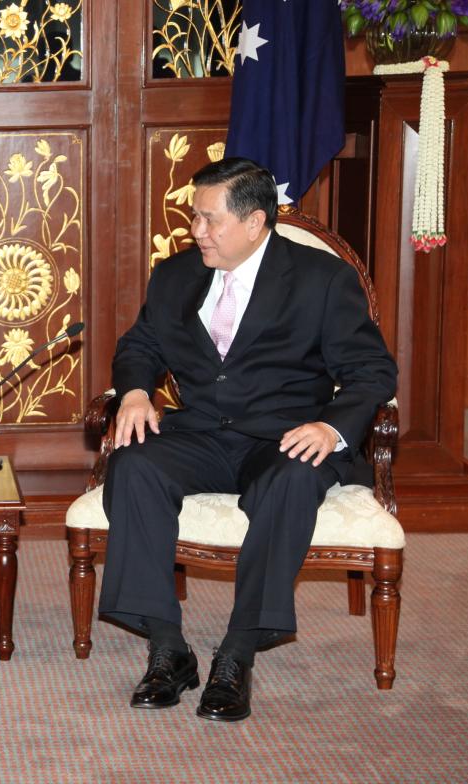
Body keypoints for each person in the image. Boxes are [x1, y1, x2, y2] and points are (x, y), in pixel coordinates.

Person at [97, 157, 397, 722]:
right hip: (202, 433)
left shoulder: (321, 279)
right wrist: (135, 392)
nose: (196, 231)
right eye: (195, 217)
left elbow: (371, 371)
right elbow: (139, 347)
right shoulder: (176, 276)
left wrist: (331, 427)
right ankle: (168, 647)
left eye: (209, 220)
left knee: (289, 481)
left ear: (255, 221)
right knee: (133, 465)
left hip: (285, 436)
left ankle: (237, 654)